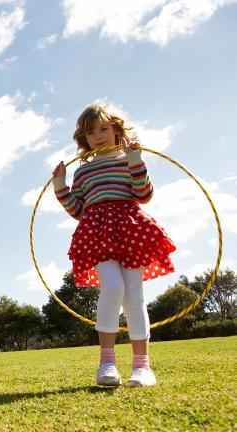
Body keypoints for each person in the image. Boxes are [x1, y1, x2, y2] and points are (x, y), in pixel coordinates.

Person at [52, 103, 176, 388]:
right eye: (91, 132)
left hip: (130, 228)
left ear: (117, 130)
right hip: (96, 230)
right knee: (113, 286)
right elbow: (78, 209)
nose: (98, 136)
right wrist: (60, 184)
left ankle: (142, 367)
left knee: (134, 295)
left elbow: (144, 194)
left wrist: (136, 160)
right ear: (84, 139)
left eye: (104, 129)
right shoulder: (83, 172)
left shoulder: (128, 159)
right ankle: (106, 363)